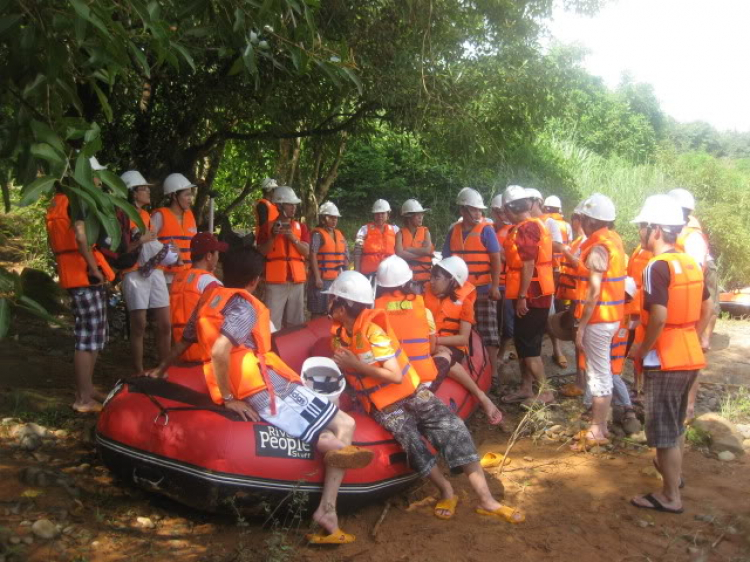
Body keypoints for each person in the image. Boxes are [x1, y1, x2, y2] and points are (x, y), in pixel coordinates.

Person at [147, 247, 372, 544]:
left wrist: (161, 369)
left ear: (225, 272)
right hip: (259, 387)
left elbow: (184, 342)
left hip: (271, 380)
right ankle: (329, 500)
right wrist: (228, 398)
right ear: (256, 280)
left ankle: (329, 498)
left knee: (345, 424)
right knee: (338, 430)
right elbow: (219, 350)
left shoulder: (207, 300)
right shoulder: (244, 306)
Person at [326, 271, 523, 524]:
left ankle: (487, 500)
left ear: (344, 306)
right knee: (414, 447)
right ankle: (446, 491)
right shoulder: (338, 336)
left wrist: (358, 365)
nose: (328, 304)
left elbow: (395, 376)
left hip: (411, 392)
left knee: (455, 429)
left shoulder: (374, 331)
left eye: (332, 299)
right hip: (382, 406)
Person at [628, 194, 712, 514]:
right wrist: (689, 332)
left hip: (665, 359)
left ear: (657, 230)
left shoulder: (656, 267)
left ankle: (670, 496)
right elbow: (708, 306)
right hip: (689, 355)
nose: (639, 234)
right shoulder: (689, 262)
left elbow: (659, 317)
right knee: (675, 426)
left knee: (663, 431)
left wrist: (642, 349)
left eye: (642, 228)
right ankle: (674, 480)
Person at [46, 158, 116, 413]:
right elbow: (80, 235)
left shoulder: (60, 200)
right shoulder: (78, 200)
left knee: (94, 334)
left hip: (74, 275)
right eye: (97, 175)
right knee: (87, 337)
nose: (99, 181)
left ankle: (86, 390)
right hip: (83, 275)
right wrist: (95, 268)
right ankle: (82, 398)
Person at [572, 193, 626, 450]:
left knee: (598, 372)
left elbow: (594, 291)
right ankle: (601, 425)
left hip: (599, 319)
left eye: (582, 218)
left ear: (590, 221)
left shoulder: (597, 247)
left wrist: (581, 326)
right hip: (612, 317)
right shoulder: (613, 240)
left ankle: (597, 427)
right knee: (601, 370)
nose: (580, 222)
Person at [421, 256, 503, 424]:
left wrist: (436, 342)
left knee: (442, 354)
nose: (432, 281)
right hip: (425, 343)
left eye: (437, 278)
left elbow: (463, 338)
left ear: (452, 280)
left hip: (451, 347)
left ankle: (481, 397)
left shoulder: (465, 301)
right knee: (436, 352)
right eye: (432, 276)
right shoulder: (424, 292)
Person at [668, 188, 720, 419]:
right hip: (681, 297)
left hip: (693, 297)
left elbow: (696, 278)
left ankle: (688, 406)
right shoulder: (677, 231)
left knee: (693, 348)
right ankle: (677, 403)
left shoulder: (692, 238)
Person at [500, 185, 554, 404]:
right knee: (523, 344)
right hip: (531, 294)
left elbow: (529, 263)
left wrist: (522, 296)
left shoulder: (527, 229)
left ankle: (546, 392)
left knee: (530, 346)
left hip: (532, 295)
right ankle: (526, 387)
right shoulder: (525, 226)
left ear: (510, 209)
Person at [443, 188, 502, 383]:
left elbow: (495, 259)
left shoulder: (486, 230)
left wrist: (494, 286)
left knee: (489, 331)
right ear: (463, 210)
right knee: (459, 331)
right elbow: (446, 260)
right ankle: (466, 369)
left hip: (483, 289)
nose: (478, 214)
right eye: (474, 210)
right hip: (460, 291)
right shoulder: (453, 230)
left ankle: (492, 373)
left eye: (479, 210)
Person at [119, 170, 172, 373]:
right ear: (133, 192)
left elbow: (151, 242)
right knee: (139, 323)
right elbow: (124, 248)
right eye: (144, 189)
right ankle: (138, 370)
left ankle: (164, 366)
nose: (148, 193)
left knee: (165, 323)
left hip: (154, 270)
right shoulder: (123, 215)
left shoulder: (147, 216)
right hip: (134, 272)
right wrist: (140, 241)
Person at [170, 232, 227, 363]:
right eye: (217, 253)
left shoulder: (178, 278)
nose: (218, 258)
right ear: (208, 256)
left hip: (180, 355)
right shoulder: (211, 283)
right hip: (203, 356)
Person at [257, 186, 309, 328]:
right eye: (289, 204)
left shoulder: (301, 227)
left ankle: (294, 348)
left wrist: (293, 238)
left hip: (297, 282)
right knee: (272, 323)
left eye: (294, 205)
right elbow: (261, 252)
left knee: (296, 323)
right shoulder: (267, 227)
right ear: (279, 206)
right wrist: (273, 237)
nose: (294, 208)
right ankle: (271, 349)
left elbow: (307, 252)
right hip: (275, 282)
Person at [528, 188, 569, 368]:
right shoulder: (522, 223)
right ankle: (530, 354)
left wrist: (538, 240)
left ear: (536, 202)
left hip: (545, 276)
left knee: (549, 315)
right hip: (526, 278)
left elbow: (559, 246)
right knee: (527, 320)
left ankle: (557, 350)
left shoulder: (549, 223)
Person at [151, 173, 197, 284]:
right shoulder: (159, 216)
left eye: (190, 195)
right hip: (165, 278)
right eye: (186, 195)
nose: (190, 199)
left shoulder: (190, 215)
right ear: (174, 196)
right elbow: (149, 245)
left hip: (188, 277)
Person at [309, 201, 348, 318]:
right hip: (321, 280)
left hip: (336, 279)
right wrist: (317, 277)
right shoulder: (317, 235)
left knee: (332, 310)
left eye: (336, 218)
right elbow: (312, 255)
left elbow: (346, 255)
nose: (334, 220)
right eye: (331, 218)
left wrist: (344, 275)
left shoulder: (339, 234)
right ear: (323, 218)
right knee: (317, 311)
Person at [490, 195, 515, 365]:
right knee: (491, 323)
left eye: (504, 212)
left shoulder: (514, 231)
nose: (503, 216)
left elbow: (513, 258)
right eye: (499, 212)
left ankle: (503, 353)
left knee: (506, 323)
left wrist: (496, 252)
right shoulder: (487, 229)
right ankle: (489, 355)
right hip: (490, 283)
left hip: (507, 284)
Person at [395, 199, 434, 293]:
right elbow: (399, 253)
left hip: (425, 280)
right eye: (418, 215)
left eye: (422, 214)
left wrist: (408, 249)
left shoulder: (425, 232)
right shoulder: (400, 234)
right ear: (408, 217)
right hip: (406, 282)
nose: (421, 217)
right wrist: (421, 253)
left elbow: (427, 251)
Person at [354, 199, 399, 279]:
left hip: (389, 275)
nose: (380, 216)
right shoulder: (363, 230)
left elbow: (400, 253)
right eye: (377, 214)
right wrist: (356, 272)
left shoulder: (395, 230)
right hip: (368, 274)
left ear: (388, 214)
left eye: (383, 213)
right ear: (374, 215)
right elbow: (357, 252)